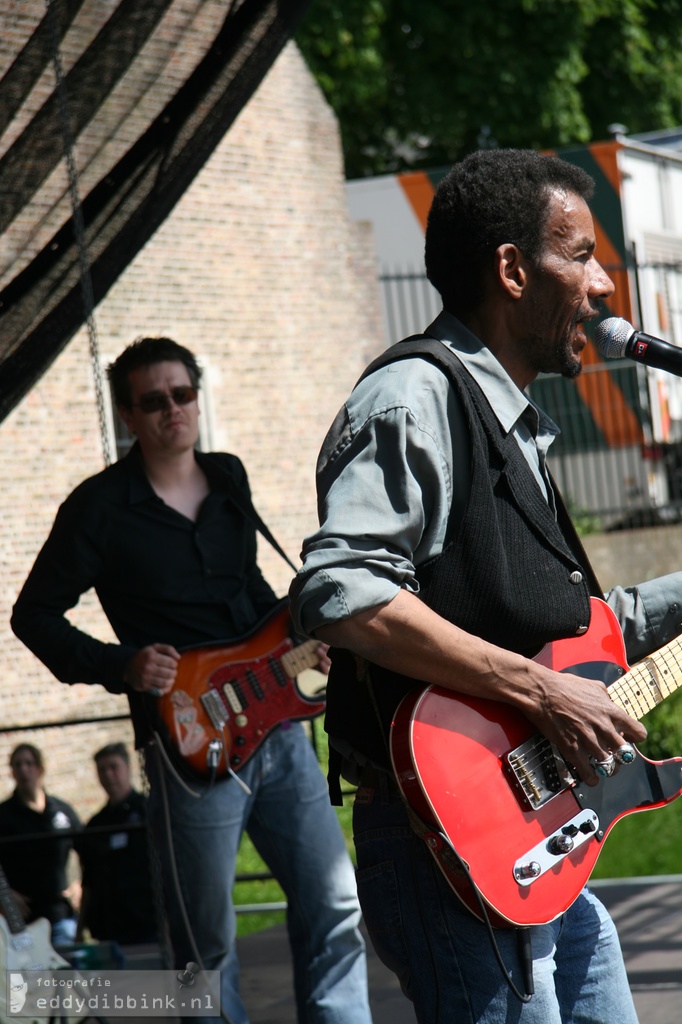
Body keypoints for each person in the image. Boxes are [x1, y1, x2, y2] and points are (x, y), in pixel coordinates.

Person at [289, 148, 682, 1023]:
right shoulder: (413, 398)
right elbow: (341, 591)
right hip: (441, 850)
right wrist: (541, 691)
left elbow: (582, 629)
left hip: (528, 842)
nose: (607, 285)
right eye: (580, 255)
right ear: (511, 270)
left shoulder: (515, 426)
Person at [11, 337, 373, 1024]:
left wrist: (299, 642)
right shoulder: (98, 507)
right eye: (153, 401)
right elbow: (33, 616)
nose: (172, 411)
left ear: (197, 397)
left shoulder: (228, 475)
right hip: (187, 746)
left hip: (280, 731)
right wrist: (119, 666)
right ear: (128, 415)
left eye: (182, 394)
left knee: (335, 903)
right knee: (204, 946)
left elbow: (253, 591)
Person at [0, 743, 81, 947]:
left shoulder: (61, 811)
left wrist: (79, 884)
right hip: (20, 921)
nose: (23, 769)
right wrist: (5, 894)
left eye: (29, 763)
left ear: (40, 769)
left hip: (60, 916)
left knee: (66, 977)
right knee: (25, 979)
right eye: (17, 765)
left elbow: (91, 851)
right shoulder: (4, 815)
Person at [77, 742, 158, 946]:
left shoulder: (148, 812)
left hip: (146, 922)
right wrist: (80, 929)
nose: (108, 775)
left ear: (127, 769)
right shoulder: (95, 825)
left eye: (114, 767)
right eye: (102, 769)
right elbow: (88, 879)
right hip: (108, 927)